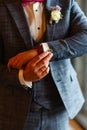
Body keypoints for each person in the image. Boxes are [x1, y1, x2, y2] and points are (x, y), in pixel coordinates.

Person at [0, 0, 87, 129]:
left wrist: (41, 50)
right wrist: (22, 76)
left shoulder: (65, 1)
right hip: (13, 110)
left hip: (59, 106)